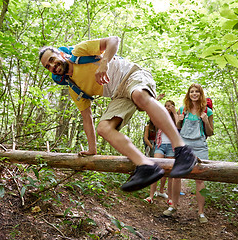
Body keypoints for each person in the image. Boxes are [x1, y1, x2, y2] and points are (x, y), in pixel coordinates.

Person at [38, 36, 197, 192]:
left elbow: (113, 40)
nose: (52, 65)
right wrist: (92, 149)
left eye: (52, 59)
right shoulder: (74, 88)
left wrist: (104, 63)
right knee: (104, 128)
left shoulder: (79, 52)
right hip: (118, 94)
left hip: (132, 74)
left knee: (139, 95)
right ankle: (146, 166)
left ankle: (183, 150)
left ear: (61, 54)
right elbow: (87, 118)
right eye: (48, 66)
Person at [163, 83, 213, 223]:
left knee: (200, 179)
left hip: (200, 146)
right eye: (192, 91)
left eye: (197, 91)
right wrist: (178, 121)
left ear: (200, 94)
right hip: (183, 145)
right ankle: (173, 206)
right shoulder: (182, 109)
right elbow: (178, 128)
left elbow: (210, 132)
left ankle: (201, 212)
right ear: (188, 94)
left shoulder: (207, 111)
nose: (194, 94)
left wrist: (205, 121)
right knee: (177, 175)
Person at [143, 100, 178, 203]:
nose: (167, 108)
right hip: (160, 145)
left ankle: (170, 199)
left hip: (171, 146)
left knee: (170, 173)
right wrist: (156, 100)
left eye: (170, 106)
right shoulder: (160, 117)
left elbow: (179, 127)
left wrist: (175, 113)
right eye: (166, 106)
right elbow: (151, 111)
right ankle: (151, 197)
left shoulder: (177, 117)